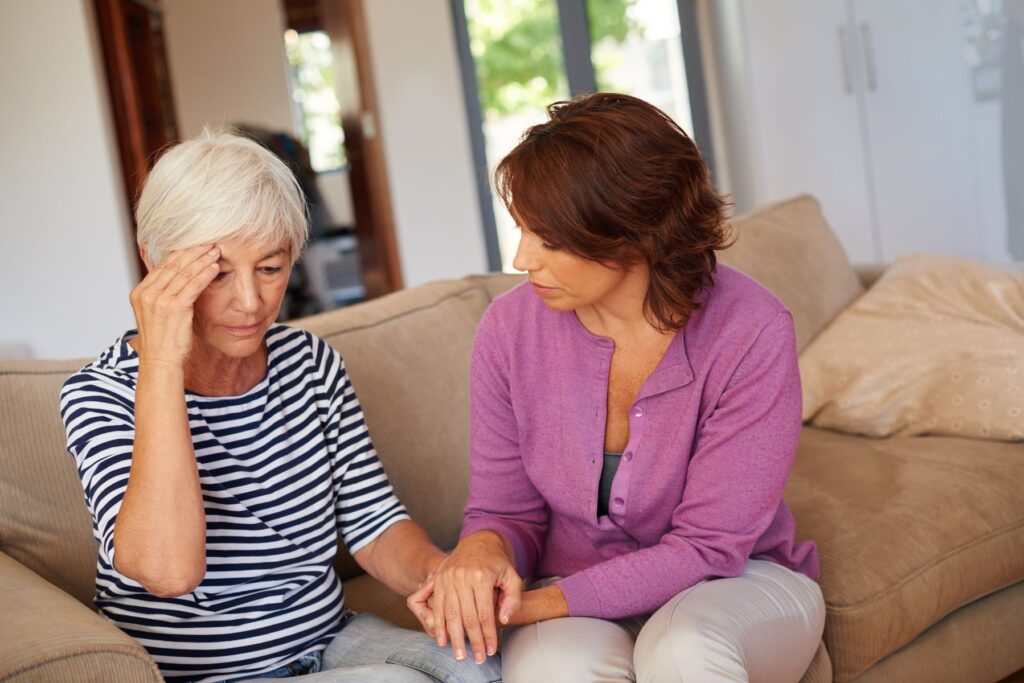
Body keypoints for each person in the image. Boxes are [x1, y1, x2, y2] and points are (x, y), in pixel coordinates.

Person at [408, 93, 825, 682]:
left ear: (634, 231)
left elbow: (708, 547)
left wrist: (530, 605)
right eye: (522, 229)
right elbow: (505, 510)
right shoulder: (509, 329)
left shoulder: (752, 329)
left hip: (737, 580)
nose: (523, 258)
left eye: (549, 238)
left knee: (682, 651)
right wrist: (479, 552)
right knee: (557, 673)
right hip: (571, 586)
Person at [59, 130, 500, 683]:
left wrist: (449, 577)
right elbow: (168, 571)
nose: (250, 302)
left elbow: (374, 523)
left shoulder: (309, 363)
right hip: (207, 672)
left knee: (480, 667)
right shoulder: (101, 394)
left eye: (270, 268)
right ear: (155, 262)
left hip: (330, 639)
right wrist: (163, 367)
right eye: (217, 274)